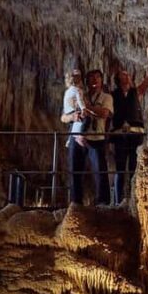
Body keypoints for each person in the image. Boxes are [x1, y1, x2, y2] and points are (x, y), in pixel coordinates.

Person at [110, 39, 148, 204]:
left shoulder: (136, 92)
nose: (127, 76)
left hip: (135, 134)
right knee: (120, 169)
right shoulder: (112, 95)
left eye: (127, 75)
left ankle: (133, 200)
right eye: (124, 74)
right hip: (119, 135)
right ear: (118, 79)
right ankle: (117, 201)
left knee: (134, 169)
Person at [60, 68, 113, 205]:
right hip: (76, 138)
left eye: (97, 77)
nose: (94, 80)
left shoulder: (106, 97)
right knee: (74, 172)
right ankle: (75, 203)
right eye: (91, 78)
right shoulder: (79, 93)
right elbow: (63, 117)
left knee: (100, 172)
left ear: (102, 80)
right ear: (86, 81)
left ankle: (103, 203)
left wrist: (87, 107)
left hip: (96, 138)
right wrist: (73, 116)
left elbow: (104, 113)